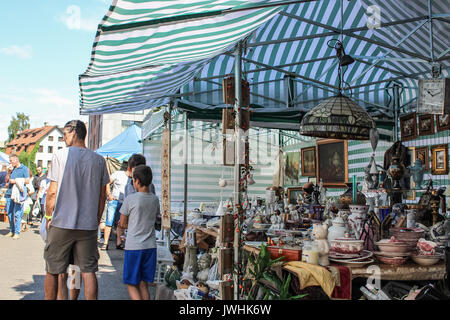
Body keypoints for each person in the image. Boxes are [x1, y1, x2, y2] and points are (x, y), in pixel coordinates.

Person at [43, 120, 109, 300]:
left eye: (65, 134)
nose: (64, 138)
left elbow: (52, 192)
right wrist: (95, 220)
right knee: (88, 271)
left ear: (74, 133)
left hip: (62, 222)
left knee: (53, 270)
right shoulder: (99, 160)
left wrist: (49, 216)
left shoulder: (60, 156)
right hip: (87, 225)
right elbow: (103, 196)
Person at [119, 165, 159, 300]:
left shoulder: (130, 199)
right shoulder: (155, 199)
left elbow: (122, 223)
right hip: (150, 246)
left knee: (131, 283)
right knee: (143, 284)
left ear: (137, 181)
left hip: (134, 247)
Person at [115, 154, 155, 249]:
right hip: (135, 235)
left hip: (142, 234)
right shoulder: (129, 186)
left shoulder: (150, 188)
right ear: (130, 169)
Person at [101, 161, 128, 251]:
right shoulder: (118, 174)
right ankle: (105, 243)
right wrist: (109, 194)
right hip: (114, 201)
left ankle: (119, 243)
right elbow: (107, 182)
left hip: (124, 203)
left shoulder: (133, 178)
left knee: (120, 224)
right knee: (109, 222)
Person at [4, 154, 30, 239]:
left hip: (18, 194)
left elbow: (27, 181)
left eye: (11, 161)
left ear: (16, 160)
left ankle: (17, 232)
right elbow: (6, 181)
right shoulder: (12, 169)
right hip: (9, 193)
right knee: (9, 212)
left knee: (17, 214)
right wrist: (8, 172)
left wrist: (15, 181)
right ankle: (11, 230)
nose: (10, 162)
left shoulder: (24, 169)